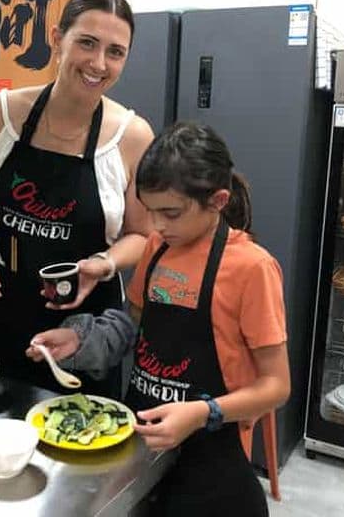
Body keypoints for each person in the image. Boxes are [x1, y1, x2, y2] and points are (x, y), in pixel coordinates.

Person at [27, 122, 290, 516]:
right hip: (142, 445)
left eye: (171, 213)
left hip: (212, 460)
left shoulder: (252, 268)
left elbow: (276, 386)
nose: (158, 226)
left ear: (217, 201)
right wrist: (82, 341)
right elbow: (132, 325)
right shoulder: (157, 246)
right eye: (151, 213)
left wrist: (203, 412)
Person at [0, 0, 154, 395]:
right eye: (86, 43)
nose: (98, 63)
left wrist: (104, 264)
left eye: (115, 52)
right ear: (57, 39)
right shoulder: (0, 114)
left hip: (83, 333)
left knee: (80, 443)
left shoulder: (132, 136)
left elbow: (143, 235)